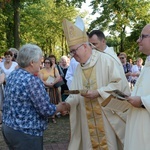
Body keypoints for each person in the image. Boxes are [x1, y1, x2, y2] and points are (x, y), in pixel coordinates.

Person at [62, 16, 130, 150]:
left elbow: (119, 85)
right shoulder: (79, 68)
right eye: (71, 52)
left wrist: (98, 92)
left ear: (86, 46)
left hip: (108, 119)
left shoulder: (107, 60)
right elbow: (74, 92)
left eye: (75, 50)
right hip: (88, 122)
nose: (73, 55)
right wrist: (67, 104)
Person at [2, 43, 66, 150]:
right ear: (32, 62)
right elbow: (46, 110)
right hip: (26, 133)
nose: (41, 64)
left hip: (9, 128)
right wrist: (61, 107)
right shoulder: (32, 81)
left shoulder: (14, 74)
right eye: (40, 61)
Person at [124, 24, 150, 150]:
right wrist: (133, 95)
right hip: (139, 124)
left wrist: (142, 102)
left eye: (142, 37)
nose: (138, 40)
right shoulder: (148, 62)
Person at [39, 57, 61, 123]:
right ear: (44, 63)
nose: (47, 64)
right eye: (46, 62)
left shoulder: (54, 69)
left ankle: (53, 116)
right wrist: (47, 84)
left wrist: (53, 83)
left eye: (48, 62)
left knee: (53, 102)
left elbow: (58, 77)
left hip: (53, 88)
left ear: (50, 63)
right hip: (45, 88)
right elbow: (41, 79)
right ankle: (46, 116)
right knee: (45, 102)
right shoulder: (41, 70)